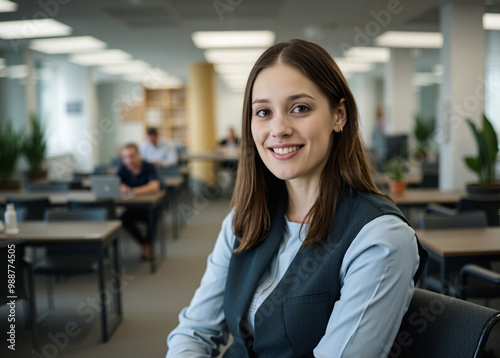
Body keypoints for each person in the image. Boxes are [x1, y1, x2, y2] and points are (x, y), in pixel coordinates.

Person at [166, 39, 427, 357]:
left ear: (338, 115)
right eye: (263, 112)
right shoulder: (243, 220)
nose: (278, 128)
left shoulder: (378, 237)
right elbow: (194, 333)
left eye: (300, 108)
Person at [117, 143, 161, 260]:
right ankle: (144, 244)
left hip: (150, 207)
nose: (128, 160)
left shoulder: (149, 167)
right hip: (133, 207)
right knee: (123, 219)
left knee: (152, 217)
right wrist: (121, 188)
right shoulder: (122, 168)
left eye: (131, 156)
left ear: (139, 155)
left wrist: (132, 191)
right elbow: (117, 184)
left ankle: (149, 245)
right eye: (125, 157)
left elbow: (154, 187)